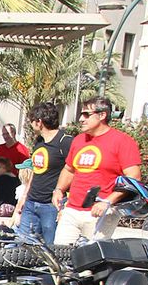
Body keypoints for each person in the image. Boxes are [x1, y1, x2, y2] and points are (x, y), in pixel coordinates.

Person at [54, 96, 142, 245]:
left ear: (102, 115)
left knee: (90, 262)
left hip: (100, 213)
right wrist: (58, 190)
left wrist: (107, 202)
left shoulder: (122, 141)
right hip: (72, 210)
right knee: (59, 260)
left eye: (87, 114)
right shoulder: (79, 140)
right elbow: (69, 170)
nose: (81, 119)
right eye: (80, 114)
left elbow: (134, 178)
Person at [10, 101, 69, 245]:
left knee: (50, 248)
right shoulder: (39, 141)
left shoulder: (65, 142)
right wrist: (23, 198)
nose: (31, 124)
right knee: (23, 246)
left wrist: (66, 205)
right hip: (31, 202)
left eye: (31, 121)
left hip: (51, 206)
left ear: (39, 122)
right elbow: (36, 172)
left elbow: (72, 172)